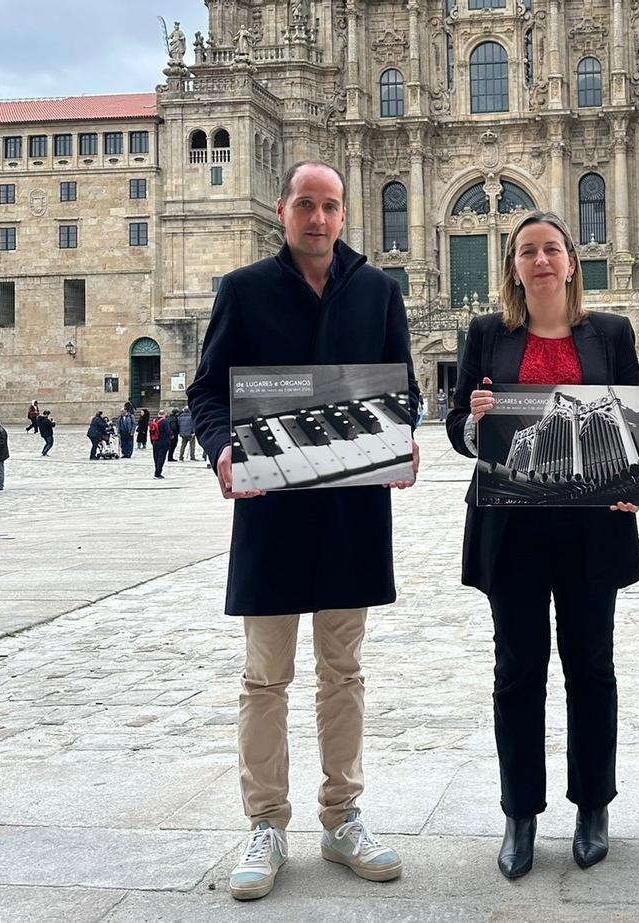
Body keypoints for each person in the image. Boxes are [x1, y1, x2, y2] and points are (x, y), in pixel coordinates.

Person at [188, 160, 419, 902]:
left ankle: (342, 813)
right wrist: (222, 445)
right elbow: (207, 390)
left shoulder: (380, 292)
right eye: (306, 206)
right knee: (264, 676)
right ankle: (266, 821)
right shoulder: (244, 290)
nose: (318, 219)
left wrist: (402, 436)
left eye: (330, 207)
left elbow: (404, 391)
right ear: (283, 211)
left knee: (343, 671)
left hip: (350, 511)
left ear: (343, 214)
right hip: (271, 511)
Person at [445, 211, 639, 879]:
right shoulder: (486, 335)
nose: (540, 260)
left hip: (591, 528)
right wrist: (474, 426)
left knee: (592, 669)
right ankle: (519, 813)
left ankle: (594, 805)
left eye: (550, 249)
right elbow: (456, 425)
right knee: (517, 674)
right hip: (515, 532)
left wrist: (635, 480)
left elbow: (630, 429)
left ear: (570, 263)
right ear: (513, 266)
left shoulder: (611, 334)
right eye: (527, 250)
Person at [149, 409, 170, 479]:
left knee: (156, 457)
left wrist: (152, 441)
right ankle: (158, 473)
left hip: (155, 441)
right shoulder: (165, 422)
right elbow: (168, 432)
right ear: (164, 414)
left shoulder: (154, 421)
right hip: (163, 442)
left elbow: (151, 432)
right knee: (161, 457)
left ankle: (156, 471)